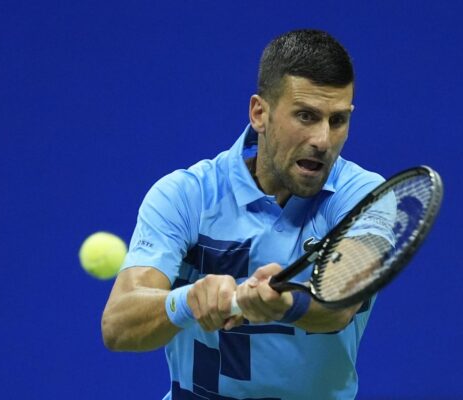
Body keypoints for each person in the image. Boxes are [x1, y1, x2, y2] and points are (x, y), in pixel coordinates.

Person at [102, 29, 385, 399]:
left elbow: (339, 307)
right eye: (305, 116)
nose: (323, 140)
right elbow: (118, 325)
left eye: (338, 120)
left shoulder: (365, 197)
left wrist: (281, 302)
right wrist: (186, 301)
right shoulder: (186, 195)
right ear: (259, 113)